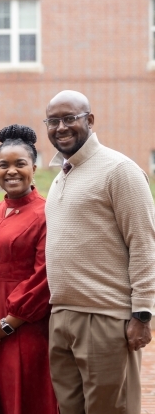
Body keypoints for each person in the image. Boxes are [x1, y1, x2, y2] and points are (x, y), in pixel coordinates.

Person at [44, 90, 155, 414]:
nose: (60, 127)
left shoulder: (119, 170)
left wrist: (142, 314)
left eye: (69, 119)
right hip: (63, 317)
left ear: (90, 120)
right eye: (53, 121)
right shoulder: (61, 177)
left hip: (107, 318)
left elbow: (144, 243)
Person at [0, 125, 57, 414]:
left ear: (34, 166)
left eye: (20, 164)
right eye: (3, 164)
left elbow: (45, 275)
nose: (11, 171)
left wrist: (10, 322)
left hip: (26, 324)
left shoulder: (47, 212)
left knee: (25, 396)